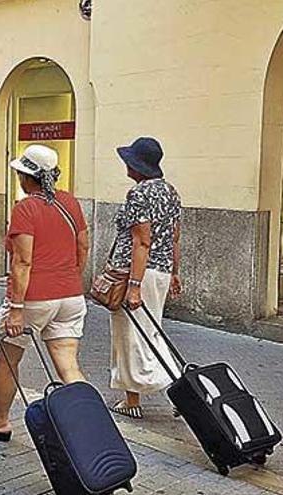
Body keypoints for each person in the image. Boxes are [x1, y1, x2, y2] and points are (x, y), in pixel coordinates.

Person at [0, 145, 90, 442]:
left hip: (34, 299)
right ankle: (89, 429)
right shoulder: (70, 202)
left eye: (20, 173)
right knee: (68, 366)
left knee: (8, 360)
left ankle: (0, 422)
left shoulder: (25, 208)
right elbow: (83, 246)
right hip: (71, 296)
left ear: (29, 177)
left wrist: (15, 307)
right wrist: (70, 278)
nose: (18, 178)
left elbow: (22, 261)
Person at [107, 137, 183, 419]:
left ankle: (137, 399)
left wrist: (134, 286)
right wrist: (175, 272)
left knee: (131, 336)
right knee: (151, 332)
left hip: (138, 272)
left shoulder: (139, 194)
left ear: (137, 166)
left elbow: (142, 241)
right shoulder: (170, 192)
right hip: (160, 272)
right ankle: (178, 389)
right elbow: (175, 236)